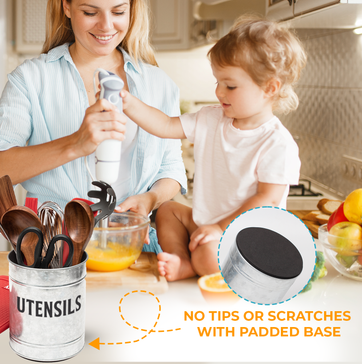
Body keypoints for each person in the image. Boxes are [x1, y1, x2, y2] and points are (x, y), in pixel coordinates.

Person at [0, 0, 187, 251]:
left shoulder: (158, 84)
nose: (106, 26)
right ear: (67, 5)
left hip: (135, 248)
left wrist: (150, 199)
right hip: (53, 251)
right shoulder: (32, 79)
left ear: (132, 9)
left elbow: (172, 169)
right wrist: (76, 143)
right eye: (90, 12)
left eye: (118, 12)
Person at [121, 16, 307, 280]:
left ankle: (197, 263)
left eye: (230, 85)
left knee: (208, 254)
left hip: (252, 235)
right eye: (217, 82)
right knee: (168, 210)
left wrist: (220, 228)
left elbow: (267, 201)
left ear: (270, 87)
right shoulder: (211, 119)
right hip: (211, 224)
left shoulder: (277, 143)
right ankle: (181, 260)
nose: (219, 92)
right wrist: (127, 102)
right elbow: (164, 125)